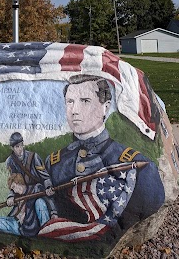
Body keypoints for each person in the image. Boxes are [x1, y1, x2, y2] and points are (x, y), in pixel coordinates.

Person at [43, 74, 165, 233]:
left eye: (85, 101)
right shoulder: (55, 163)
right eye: (70, 102)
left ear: (105, 107)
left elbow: (149, 206)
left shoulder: (137, 165)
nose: (74, 111)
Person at [5, 132, 57, 217]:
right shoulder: (10, 161)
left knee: (47, 206)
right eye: (17, 147)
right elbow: (13, 181)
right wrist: (10, 196)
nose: (20, 149)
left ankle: (53, 213)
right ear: (12, 148)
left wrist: (48, 187)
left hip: (38, 190)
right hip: (23, 192)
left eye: (21, 145)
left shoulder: (34, 157)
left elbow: (45, 176)